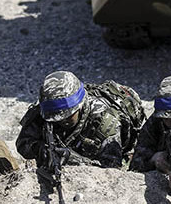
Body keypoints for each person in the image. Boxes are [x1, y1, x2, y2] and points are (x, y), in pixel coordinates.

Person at [16, 71, 144, 169]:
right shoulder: (48, 109)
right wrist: (41, 150)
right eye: (54, 118)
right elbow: (22, 144)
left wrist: (72, 159)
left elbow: (112, 170)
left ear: (80, 106)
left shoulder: (106, 122)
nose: (59, 121)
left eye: (66, 117)